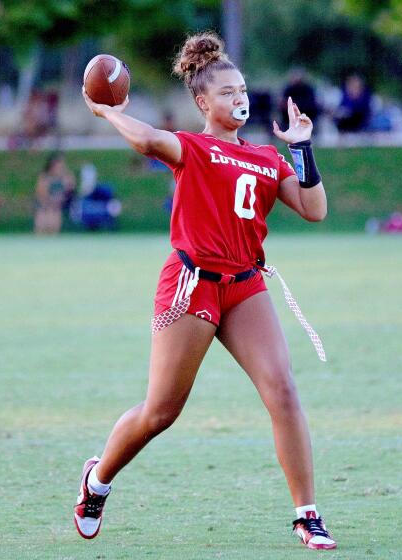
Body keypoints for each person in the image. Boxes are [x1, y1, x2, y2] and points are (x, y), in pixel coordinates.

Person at [75, 32, 336, 550]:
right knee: (161, 412)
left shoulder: (266, 157)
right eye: (226, 92)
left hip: (244, 287)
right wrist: (108, 114)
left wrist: (302, 147)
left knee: (283, 391)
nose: (239, 98)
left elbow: (314, 209)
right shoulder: (193, 147)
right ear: (202, 102)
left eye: (242, 90)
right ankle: (97, 480)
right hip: (191, 284)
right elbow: (148, 139)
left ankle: (307, 515)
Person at [34, 154, 75, 234]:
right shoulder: (44, 177)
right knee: (43, 224)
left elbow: (71, 190)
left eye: (62, 166)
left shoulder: (65, 177)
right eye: (58, 166)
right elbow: (41, 193)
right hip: (44, 207)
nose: (60, 168)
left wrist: (68, 181)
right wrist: (49, 201)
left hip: (56, 208)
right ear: (52, 166)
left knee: (54, 222)